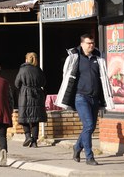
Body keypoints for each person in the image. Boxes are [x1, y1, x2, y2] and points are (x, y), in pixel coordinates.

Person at [55, 34, 114, 166]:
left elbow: (103, 77)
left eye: (93, 43)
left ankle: (77, 147)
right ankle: (89, 156)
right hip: (80, 97)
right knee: (88, 125)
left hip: (95, 97)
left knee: (91, 127)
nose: (91, 45)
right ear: (82, 44)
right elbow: (66, 74)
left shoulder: (98, 58)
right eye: (89, 43)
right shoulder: (74, 57)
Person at [15, 52, 47, 148]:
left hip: (25, 95)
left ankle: (28, 136)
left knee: (24, 118)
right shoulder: (38, 70)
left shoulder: (23, 69)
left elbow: (16, 83)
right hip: (37, 95)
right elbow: (44, 82)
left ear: (26, 59)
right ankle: (34, 142)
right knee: (35, 119)